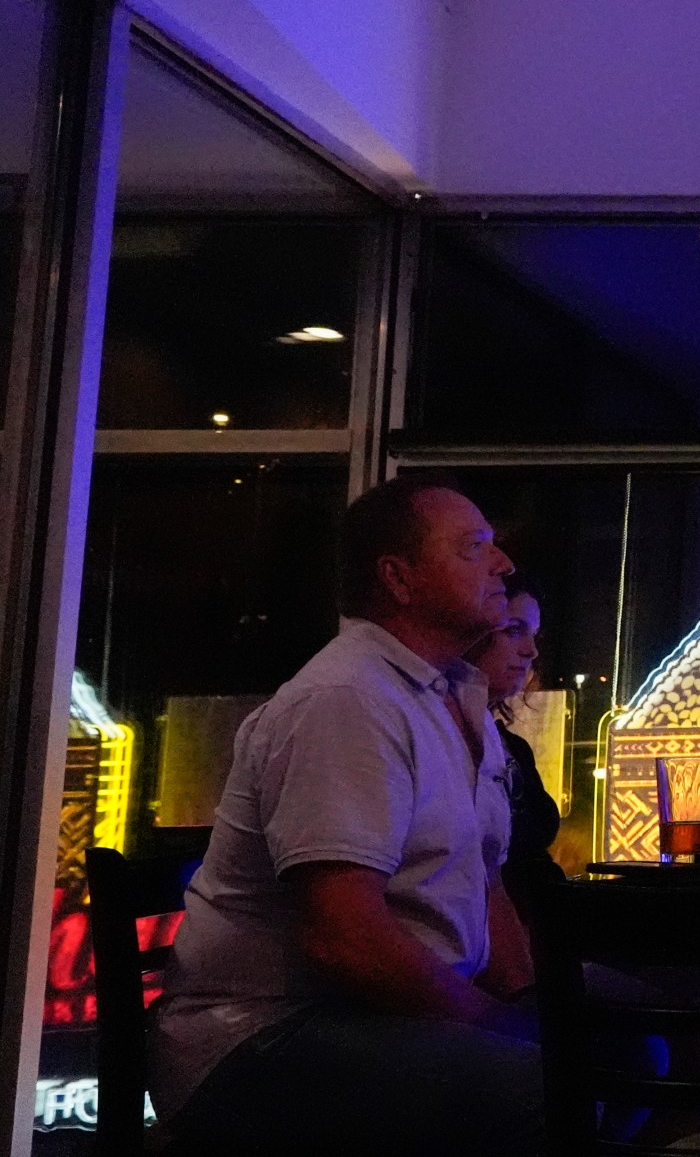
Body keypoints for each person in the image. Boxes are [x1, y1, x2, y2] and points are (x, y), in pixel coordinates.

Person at [149, 475, 542, 1156]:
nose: (503, 564)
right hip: (263, 1036)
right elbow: (343, 939)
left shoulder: (449, 694)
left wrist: (532, 997)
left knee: (638, 1040)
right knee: (545, 1087)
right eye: (474, 547)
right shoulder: (347, 700)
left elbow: (485, 880)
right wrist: (493, 1022)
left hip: (376, 1013)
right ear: (399, 577)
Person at [467, 570, 566, 903]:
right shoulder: (444, 738)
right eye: (514, 630)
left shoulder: (513, 747)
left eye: (534, 634)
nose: (532, 651)